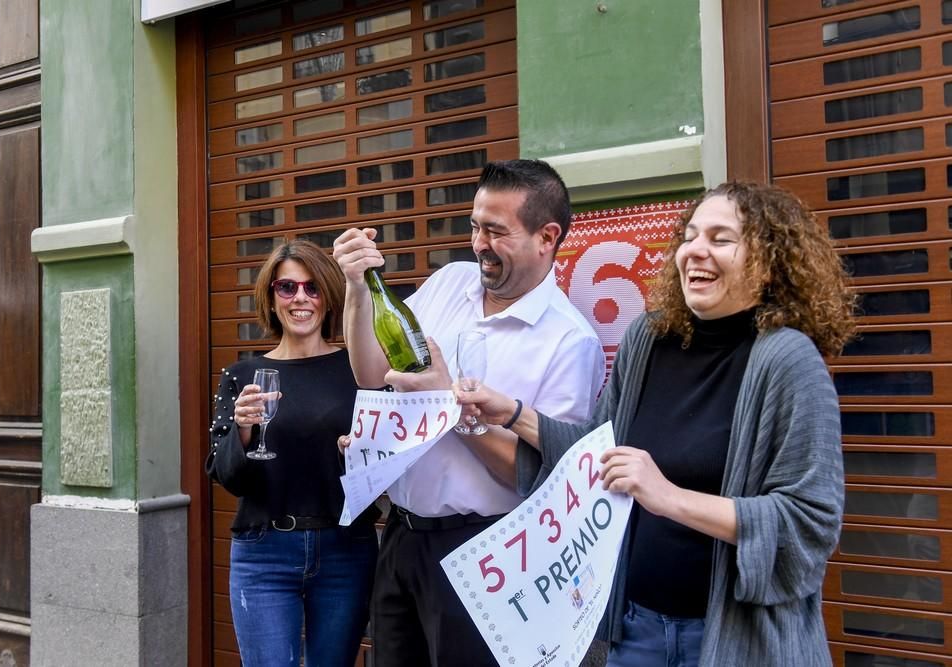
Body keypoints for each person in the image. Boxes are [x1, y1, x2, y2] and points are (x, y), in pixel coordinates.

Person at [458, 181, 856, 666]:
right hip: (636, 632)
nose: (696, 251)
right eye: (689, 236)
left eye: (721, 238)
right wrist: (514, 414)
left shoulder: (789, 361)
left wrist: (670, 498)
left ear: (768, 260)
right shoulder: (648, 339)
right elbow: (598, 453)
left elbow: (808, 523)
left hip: (732, 640)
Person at [332, 159, 605, 667]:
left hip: (488, 553)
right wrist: (355, 287)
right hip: (401, 538)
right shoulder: (450, 281)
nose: (478, 243)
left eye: (496, 231)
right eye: (475, 226)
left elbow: (544, 479)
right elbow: (372, 375)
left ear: (546, 237)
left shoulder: (570, 341)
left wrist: (447, 404)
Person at [206, 240, 379, 667]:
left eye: (312, 288)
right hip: (264, 552)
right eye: (287, 288)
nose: (301, 298)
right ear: (271, 297)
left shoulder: (360, 369)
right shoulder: (243, 376)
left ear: (328, 296)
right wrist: (244, 432)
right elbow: (228, 476)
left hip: (346, 548)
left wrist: (358, 453)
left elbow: (387, 460)